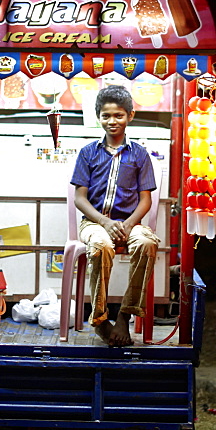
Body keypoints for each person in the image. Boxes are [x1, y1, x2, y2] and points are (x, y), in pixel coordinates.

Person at [70, 85, 159, 347]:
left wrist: (128, 223)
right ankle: (100, 319)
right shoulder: (88, 152)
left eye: (118, 115)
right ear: (98, 117)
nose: (112, 121)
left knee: (147, 243)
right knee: (100, 245)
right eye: (106, 115)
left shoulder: (139, 154)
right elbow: (80, 198)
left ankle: (124, 315)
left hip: (130, 223)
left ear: (130, 116)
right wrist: (105, 222)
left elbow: (146, 200)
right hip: (95, 223)